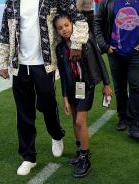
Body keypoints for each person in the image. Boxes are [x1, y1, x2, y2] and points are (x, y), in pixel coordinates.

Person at [0, 0, 89, 176]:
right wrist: (3, 61)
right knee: (24, 113)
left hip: (45, 64)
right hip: (20, 65)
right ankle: (28, 157)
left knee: (47, 106)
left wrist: (76, 43)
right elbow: (4, 32)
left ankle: (56, 135)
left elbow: (79, 18)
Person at [53, 13, 112, 178]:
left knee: (80, 121)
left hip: (87, 86)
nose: (64, 29)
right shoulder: (60, 49)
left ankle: (85, 158)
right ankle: (80, 151)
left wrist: (107, 85)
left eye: (66, 25)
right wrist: (64, 97)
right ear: (57, 31)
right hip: (72, 89)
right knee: (74, 121)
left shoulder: (85, 40)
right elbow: (64, 75)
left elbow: (100, 63)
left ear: (72, 24)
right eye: (60, 28)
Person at [94, 0, 139, 140]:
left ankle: (135, 123)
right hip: (115, 50)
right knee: (120, 88)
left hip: (135, 52)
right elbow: (98, 22)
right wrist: (105, 45)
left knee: (135, 86)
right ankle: (123, 117)